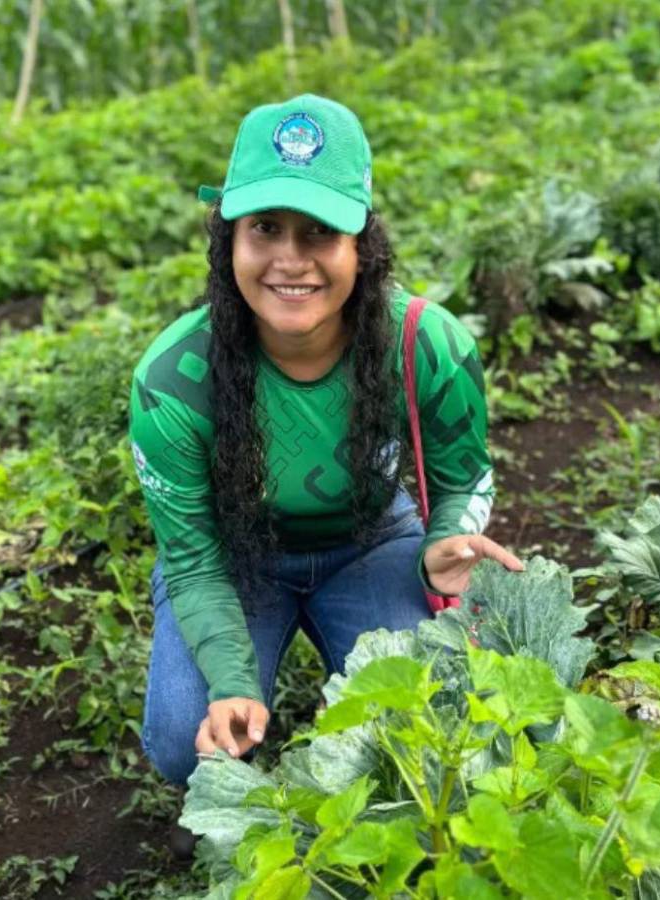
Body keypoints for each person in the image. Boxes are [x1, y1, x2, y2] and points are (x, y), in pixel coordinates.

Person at [129, 94, 523, 792]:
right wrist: (228, 684)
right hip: (235, 558)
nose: (290, 260)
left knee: (435, 726)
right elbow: (191, 558)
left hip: (372, 543)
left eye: (318, 233)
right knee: (183, 743)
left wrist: (445, 539)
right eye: (265, 228)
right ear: (230, 243)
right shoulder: (171, 382)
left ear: (361, 246)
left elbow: (464, 477)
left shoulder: (428, 345)